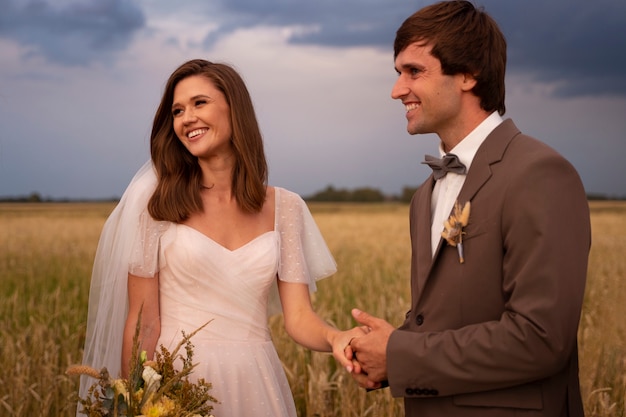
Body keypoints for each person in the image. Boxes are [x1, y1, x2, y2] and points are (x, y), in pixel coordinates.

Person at [78, 59, 364, 417]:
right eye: (177, 111)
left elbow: (300, 317)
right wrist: (134, 401)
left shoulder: (286, 208)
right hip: (175, 383)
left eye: (199, 103)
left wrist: (335, 337)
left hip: (255, 380)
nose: (186, 118)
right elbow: (143, 321)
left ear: (235, 108)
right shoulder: (156, 207)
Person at [345, 1, 591, 416]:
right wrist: (385, 352)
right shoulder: (425, 194)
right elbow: (442, 320)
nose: (397, 89)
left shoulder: (540, 173)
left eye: (414, 72)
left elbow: (541, 339)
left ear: (468, 73)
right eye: (397, 73)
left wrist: (401, 355)